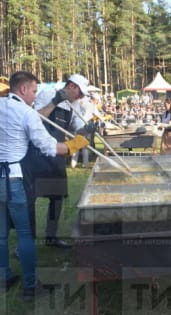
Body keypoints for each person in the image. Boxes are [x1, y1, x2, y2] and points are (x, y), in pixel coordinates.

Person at [0, 71, 88, 300]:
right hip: (16, 178)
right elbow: (50, 147)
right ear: (23, 90)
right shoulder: (26, 113)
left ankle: (4, 278)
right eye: (33, 91)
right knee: (25, 235)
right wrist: (75, 145)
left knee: (0, 235)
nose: (34, 96)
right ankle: (30, 288)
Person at [22, 74, 94, 248]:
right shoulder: (47, 93)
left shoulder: (74, 104)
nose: (81, 97)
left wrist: (89, 128)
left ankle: (51, 237)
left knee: (57, 198)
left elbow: (78, 130)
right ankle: (27, 242)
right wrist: (55, 101)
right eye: (79, 93)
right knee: (30, 199)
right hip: (37, 154)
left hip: (58, 153)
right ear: (71, 86)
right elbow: (34, 118)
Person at [70, 95, 103, 168]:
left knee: (77, 145)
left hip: (77, 125)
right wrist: (103, 119)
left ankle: (73, 163)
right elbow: (98, 115)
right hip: (85, 126)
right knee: (85, 146)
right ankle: (85, 163)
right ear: (94, 99)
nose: (97, 102)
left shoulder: (80, 102)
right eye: (97, 101)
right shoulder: (91, 105)